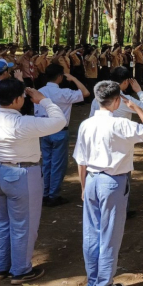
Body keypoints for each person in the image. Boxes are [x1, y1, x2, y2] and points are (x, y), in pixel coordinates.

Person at [73, 80, 143, 286]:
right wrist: (137, 108)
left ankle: (93, 283)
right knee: (110, 236)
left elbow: (81, 160)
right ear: (119, 100)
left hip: (91, 179)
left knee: (91, 234)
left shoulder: (86, 124)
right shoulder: (121, 124)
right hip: (112, 182)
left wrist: (83, 187)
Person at [0, 79, 66, 284]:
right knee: (23, 225)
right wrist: (44, 100)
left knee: (1, 223)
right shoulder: (24, 123)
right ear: (17, 99)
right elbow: (59, 121)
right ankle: (20, 270)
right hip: (22, 173)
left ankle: (2, 266)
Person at [36, 64, 89, 207]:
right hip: (59, 130)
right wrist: (74, 78)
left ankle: (44, 192)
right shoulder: (64, 92)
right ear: (60, 77)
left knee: (46, 162)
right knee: (58, 164)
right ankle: (53, 195)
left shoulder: (39, 92)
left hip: (43, 130)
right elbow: (85, 92)